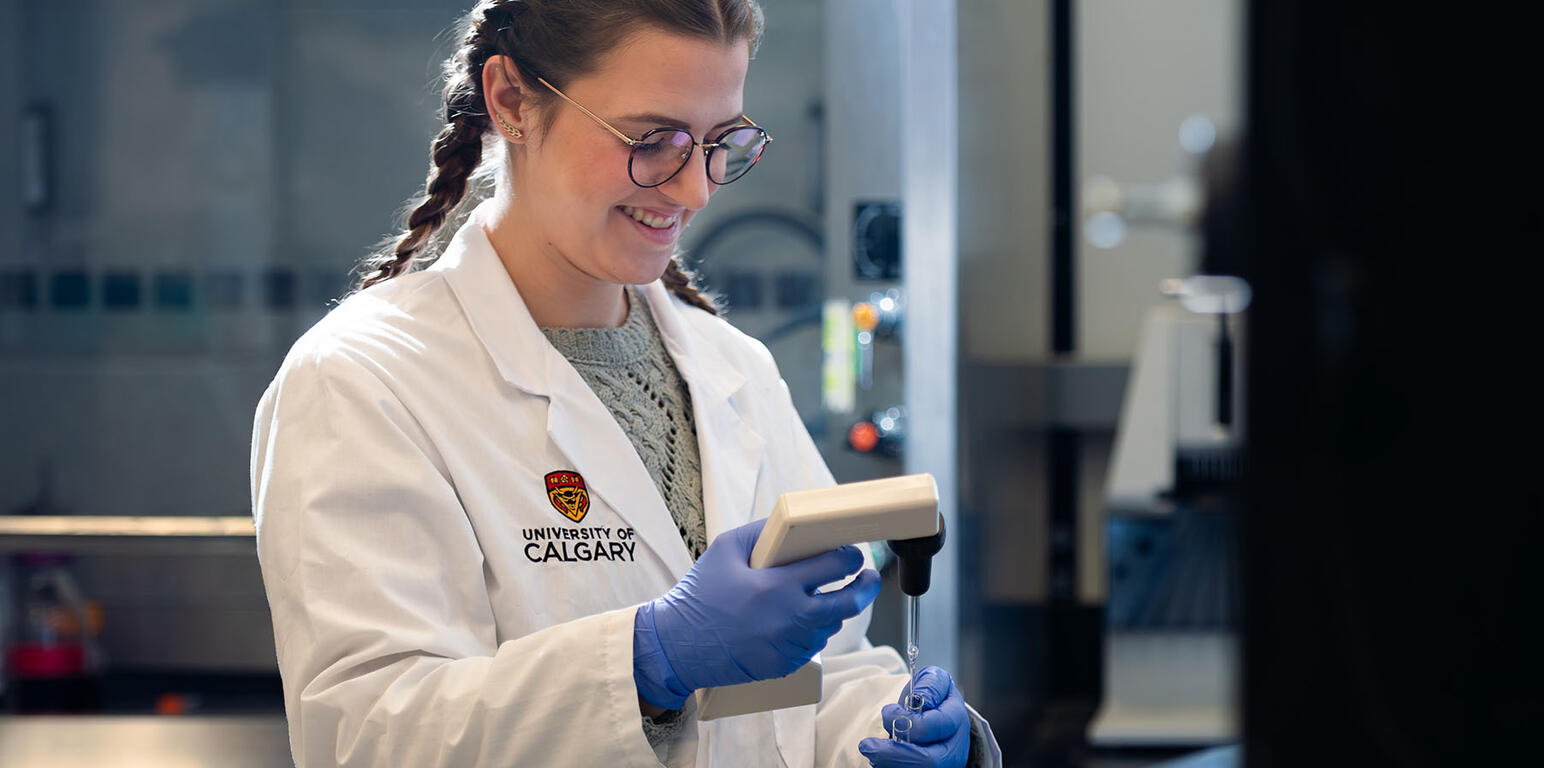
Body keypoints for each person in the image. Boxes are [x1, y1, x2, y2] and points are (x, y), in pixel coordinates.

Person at [248, 1, 998, 765]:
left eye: (718, 142)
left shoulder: (732, 368)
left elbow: (817, 674)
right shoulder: (362, 382)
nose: (696, 191)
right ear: (511, 100)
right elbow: (370, 735)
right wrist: (646, 662)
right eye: (652, 140)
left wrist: (892, 730)